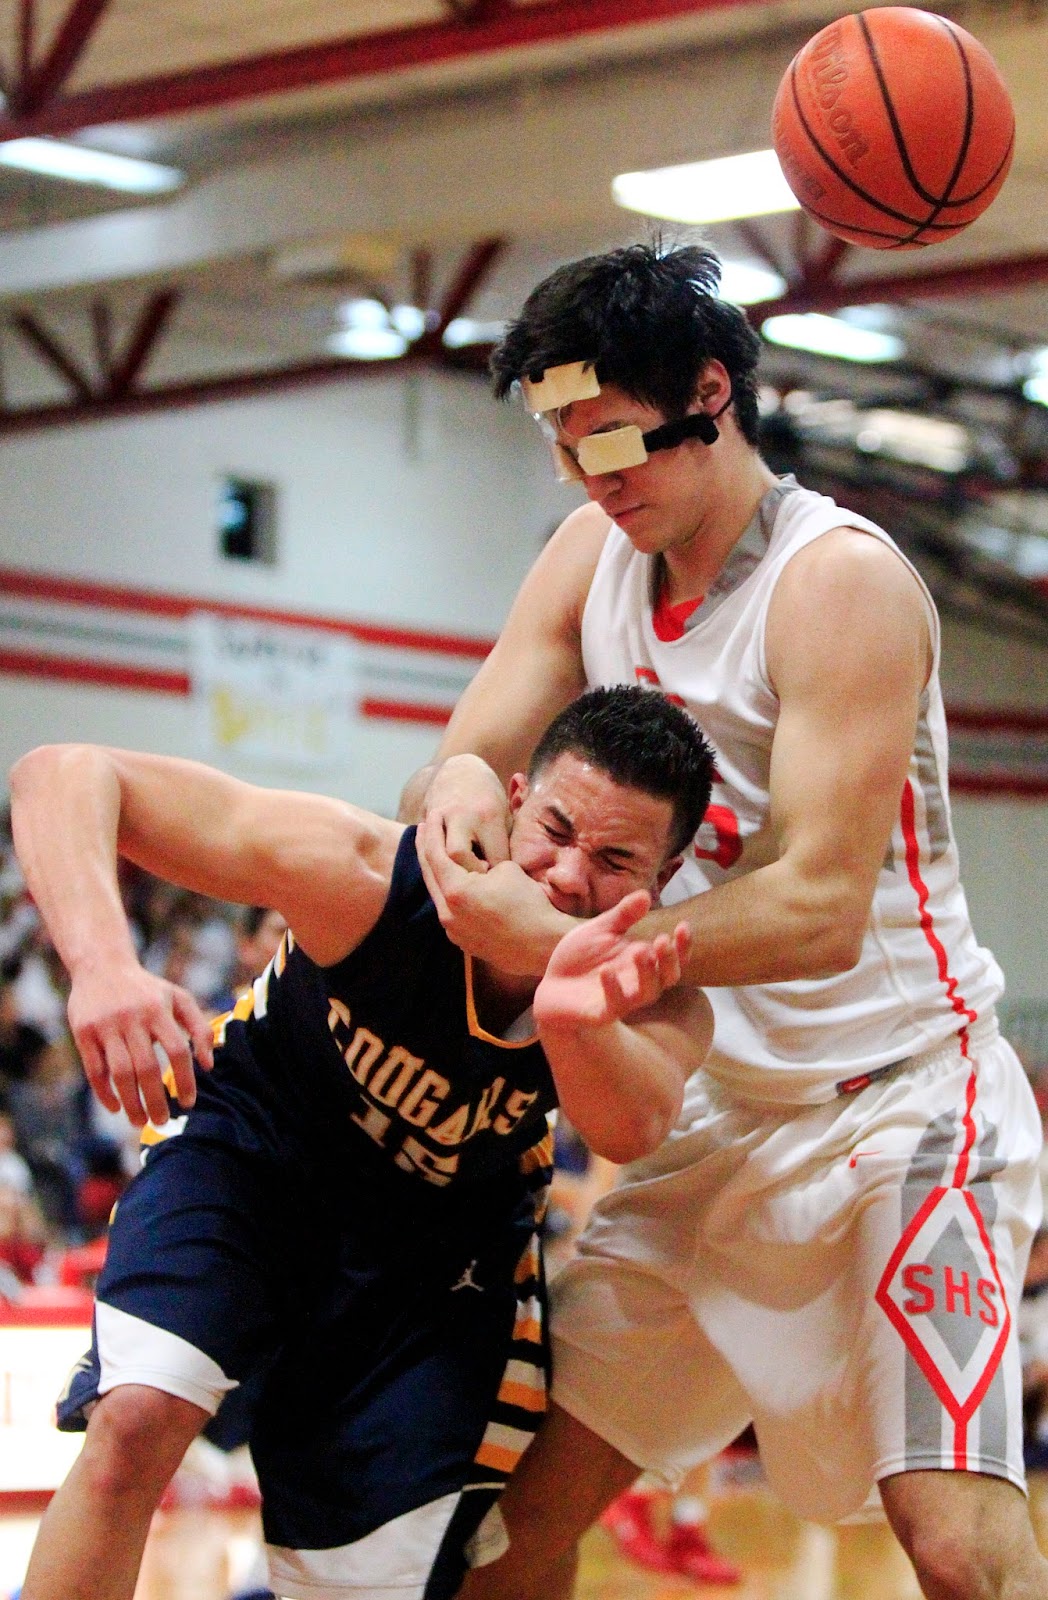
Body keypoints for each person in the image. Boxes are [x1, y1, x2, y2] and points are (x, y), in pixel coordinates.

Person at [406, 243, 1048, 1600]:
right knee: (501, 1534)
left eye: (614, 438)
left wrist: (575, 953)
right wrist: (456, 788)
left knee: (955, 1548)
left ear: (710, 393)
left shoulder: (837, 581)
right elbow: (464, 757)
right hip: (719, 1119)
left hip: (903, 1105)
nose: (591, 476)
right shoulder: (589, 555)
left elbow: (817, 905)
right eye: (565, 446)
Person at [7, 684, 715, 1600]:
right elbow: (62, 772)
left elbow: (632, 1126)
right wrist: (103, 964)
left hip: (434, 1255)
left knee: (361, 1585)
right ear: (513, 802)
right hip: (257, 1154)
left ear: (668, 873)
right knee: (134, 1423)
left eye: (616, 860)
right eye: (555, 830)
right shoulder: (370, 875)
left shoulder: (662, 998)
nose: (570, 877)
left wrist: (570, 1012)